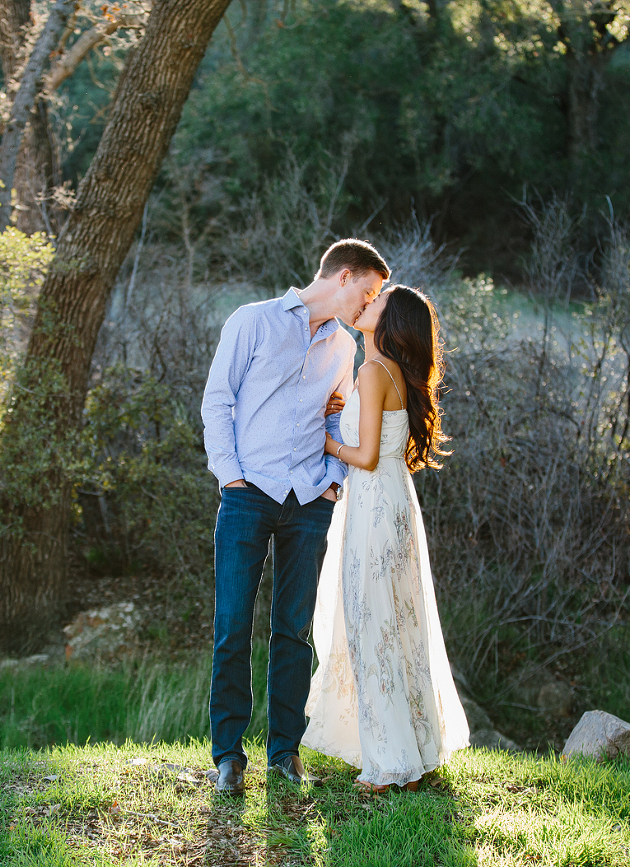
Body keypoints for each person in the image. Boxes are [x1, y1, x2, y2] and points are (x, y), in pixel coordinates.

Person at [201, 239, 390, 795]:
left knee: (294, 629)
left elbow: (339, 419)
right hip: (247, 493)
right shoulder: (252, 321)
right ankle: (228, 757)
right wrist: (229, 474)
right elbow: (218, 400)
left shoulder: (343, 348)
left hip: (309, 498)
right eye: (369, 291)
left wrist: (334, 482)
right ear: (345, 276)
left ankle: (284, 752)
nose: (369, 303)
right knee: (233, 626)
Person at [302, 284, 470, 793]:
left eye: (376, 302)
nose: (365, 305)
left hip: (375, 506)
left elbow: (366, 455)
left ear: (390, 320)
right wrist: (346, 406)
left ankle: (390, 763)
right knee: (396, 626)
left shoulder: (373, 371)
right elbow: (376, 441)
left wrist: (328, 440)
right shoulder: (386, 374)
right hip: (394, 502)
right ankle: (413, 747)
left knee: (373, 626)